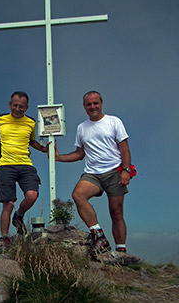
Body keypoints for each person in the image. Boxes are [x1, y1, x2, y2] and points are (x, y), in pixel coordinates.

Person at [53, 91, 132, 254]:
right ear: (84, 107)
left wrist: (126, 170)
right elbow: (80, 154)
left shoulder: (113, 121)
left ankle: (121, 250)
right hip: (93, 173)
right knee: (78, 195)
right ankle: (99, 236)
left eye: (95, 103)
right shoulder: (82, 128)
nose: (92, 106)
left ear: (101, 103)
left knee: (116, 212)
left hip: (114, 171)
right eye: (89, 104)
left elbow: (124, 148)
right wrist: (59, 158)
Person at [0, 91, 49, 244]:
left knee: (32, 195)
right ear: (10, 105)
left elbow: (32, 142)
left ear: (26, 108)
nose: (17, 108)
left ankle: (19, 215)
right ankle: (5, 237)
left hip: (25, 164)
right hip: (5, 165)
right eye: (15, 105)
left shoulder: (31, 122)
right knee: (8, 203)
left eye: (21, 106)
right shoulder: (1, 119)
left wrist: (44, 149)